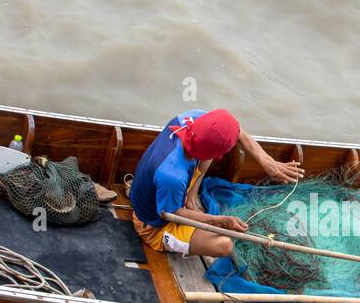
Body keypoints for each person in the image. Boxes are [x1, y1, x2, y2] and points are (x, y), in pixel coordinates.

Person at [130, 108, 304, 258]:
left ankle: (191, 196)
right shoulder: (172, 176)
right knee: (224, 245)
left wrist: (267, 161)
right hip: (155, 224)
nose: (220, 157)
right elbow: (169, 213)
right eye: (220, 154)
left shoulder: (192, 118)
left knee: (216, 140)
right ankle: (167, 233)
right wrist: (219, 221)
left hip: (171, 188)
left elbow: (238, 132)